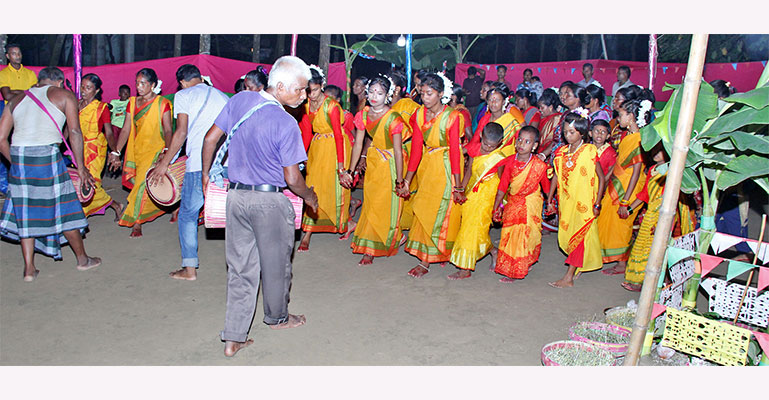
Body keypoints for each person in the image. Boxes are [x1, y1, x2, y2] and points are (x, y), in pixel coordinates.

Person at [200, 55, 319, 357]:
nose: (304, 97)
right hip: (269, 203)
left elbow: (211, 138)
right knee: (277, 265)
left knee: (240, 268)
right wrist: (309, 196)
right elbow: (292, 178)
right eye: (301, 90)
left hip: (236, 198)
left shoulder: (241, 100)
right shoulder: (285, 123)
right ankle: (278, 317)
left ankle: (233, 337)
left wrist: (205, 176)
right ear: (280, 86)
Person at [0, 67, 101, 281]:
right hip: (46, 154)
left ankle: (29, 269)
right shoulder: (64, 95)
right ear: (59, 82)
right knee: (65, 208)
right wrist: (81, 168)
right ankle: (82, 260)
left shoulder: (16, 100)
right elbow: (74, 131)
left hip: (19, 155)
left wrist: (16, 163)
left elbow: (1, 139)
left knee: (25, 212)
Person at [146, 64, 230, 281]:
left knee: (187, 215)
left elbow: (181, 131)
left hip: (199, 164)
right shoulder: (223, 96)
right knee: (232, 214)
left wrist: (165, 163)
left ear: (182, 82)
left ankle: (189, 269)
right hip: (226, 163)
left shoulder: (183, 95)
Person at [397, 72, 465, 278]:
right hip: (428, 166)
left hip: (446, 167)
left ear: (441, 94)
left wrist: (458, 185)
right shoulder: (418, 115)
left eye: (430, 93)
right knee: (425, 209)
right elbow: (417, 149)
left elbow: (455, 151)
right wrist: (407, 180)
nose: (425, 97)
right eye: (423, 93)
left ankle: (427, 260)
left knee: (444, 211)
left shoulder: (453, 117)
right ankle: (432, 253)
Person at [341, 74, 410, 265]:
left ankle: (383, 243)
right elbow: (358, 144)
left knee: (385, 205)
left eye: (379, 93)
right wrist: (350, 170)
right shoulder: (363, 114)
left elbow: (397, 150)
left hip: (390, 164)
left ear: (387, 95)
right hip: (374, 161)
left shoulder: (393, 118)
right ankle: (377, 244)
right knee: (371, 204)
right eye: (371, 91)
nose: (374, 96)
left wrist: (399, 178)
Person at [108, 68, 173, 237]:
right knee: (142, 185)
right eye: (137, 82)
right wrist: (116, 152)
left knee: (141, 185)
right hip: (137, 150)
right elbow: (125, 129)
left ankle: (136, 221)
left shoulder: (162, 103)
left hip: (155, 150)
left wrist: (166, 151)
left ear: (152, 85)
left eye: (143, 83)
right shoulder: (131, 102)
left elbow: (168, 130)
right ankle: (172, 206)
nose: (139, 86)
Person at [545, 110, 607, 288]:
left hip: (585, 203)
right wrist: (550, 198)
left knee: (579, 238)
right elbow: (556, 176)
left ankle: (568, 277)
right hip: (567, 202)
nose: (568, 136)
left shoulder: (589, 150)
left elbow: (601, 178)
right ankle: (577, 267)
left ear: (582, 133)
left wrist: (597, 203)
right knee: (569, 236)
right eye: (565, 132)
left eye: (572, 132)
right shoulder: (561, 152)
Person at [622, 144, 696, 291]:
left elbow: (673, 200)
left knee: (660, 250)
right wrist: (629, 208)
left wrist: (665, 223)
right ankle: (640, 282)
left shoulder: (672, 172)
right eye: (653, 150)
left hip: (665, 215)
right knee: (642, 247)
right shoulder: (652, 170)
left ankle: (663, 284)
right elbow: (645, 195)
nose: (655, 153)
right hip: (650, 215)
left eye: (660, 151)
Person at [298, 65, 352, 251]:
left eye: (313, 90)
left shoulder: (332, 106)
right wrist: (300, 156)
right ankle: (308, 230)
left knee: (332, 188)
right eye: (307, 91)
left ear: (321, 86)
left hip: (335, 149)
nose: (310, 95)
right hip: (318, 148)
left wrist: (341, 167)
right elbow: (306, 134)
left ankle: (345, 223)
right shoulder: (305, 105)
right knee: (313, 186)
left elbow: (338, 135)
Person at [446, 122, 507, 280]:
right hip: (471, 194)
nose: (487, 148)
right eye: (485, 143)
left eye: (492, 146)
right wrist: (460, 189)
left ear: (499, 143)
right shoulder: (474, 150)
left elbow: (502, 181)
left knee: (472, 229)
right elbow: (469, 172)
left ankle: (465, 268)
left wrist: (499, 204)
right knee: (471, 227)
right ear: (481, 137)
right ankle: (493, 251)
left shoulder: (499, 158)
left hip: (487, 198)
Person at [493, 125, 550, 282]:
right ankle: (512, 266)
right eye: (519, 140)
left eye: (527, 141)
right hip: (513, 203)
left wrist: (550, 203)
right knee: (510, 235)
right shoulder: (511, 162)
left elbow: (545, 186)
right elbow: (502, 187)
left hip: (531, 204)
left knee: (526, 236)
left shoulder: (539, 166)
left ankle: (517, 269)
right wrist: (496, 206)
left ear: (535, 146)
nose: (521, 144)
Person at [598, 99, 649, 276]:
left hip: (628, 188)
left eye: (621, 115)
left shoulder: (638, 139)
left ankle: (621, 262)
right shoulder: (628, 136)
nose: (618, 119)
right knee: (609, 220)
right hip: (618, 183)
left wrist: (626, 200)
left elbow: (636, 172)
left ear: (632, 116)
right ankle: (612, 256)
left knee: (622, 224)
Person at [78, 73, 123, 219]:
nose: (84, 90)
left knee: (91, 183)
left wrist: (115, 153)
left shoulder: (102, 108)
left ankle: (80, 217)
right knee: (81, 181)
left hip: (95, 150)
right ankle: (116, 205)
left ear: (96, 91)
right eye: (82, 87)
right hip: (78, 148)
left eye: (88, 88)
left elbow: (109, 133)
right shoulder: (77, 104)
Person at [389, 70, 421, 231]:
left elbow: (420, 132)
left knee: (404, 187)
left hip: (406, 150)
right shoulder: (382, 105)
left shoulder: (410, 106)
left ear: (397, 89)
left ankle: (402, 225)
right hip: (386, 153)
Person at [468, 83, 520, 154]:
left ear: (503, 102)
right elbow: (475, 141)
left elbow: (521, 141)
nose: (493, 103)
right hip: (485, 160)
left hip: (504, 161)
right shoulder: (484, 119)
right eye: (490, 100)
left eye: (497, 100)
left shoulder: (511, 121)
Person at [536, 88, 562, 164]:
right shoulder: (544, 118)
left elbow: (555, 140)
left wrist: (544, 153)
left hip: (550, 155)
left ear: (550, 107)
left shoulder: (557, 118)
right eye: (539, 107)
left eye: (542, 107)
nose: (540, 110)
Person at [590, 119, 616, 189]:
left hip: (601, 188)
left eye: (603, 132)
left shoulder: (610, 152)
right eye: (596, 131)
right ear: (590, 133)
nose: (599, 134)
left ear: (608, 136)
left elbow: (611, 174)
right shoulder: (587, 148)